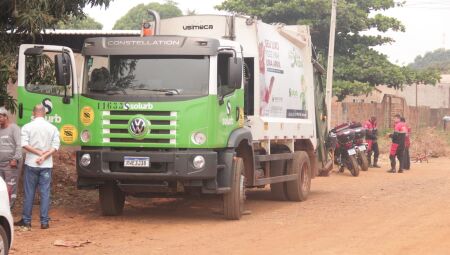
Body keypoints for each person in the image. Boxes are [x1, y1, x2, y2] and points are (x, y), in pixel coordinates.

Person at [15, 104, 60, 229]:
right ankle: (44, 222)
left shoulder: (27, 127)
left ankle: (27, 220)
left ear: (34, 113)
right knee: (45, 193)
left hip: (31, 163)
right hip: (46, 165)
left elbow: (24, 144)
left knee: (29, 192)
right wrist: (44, 156)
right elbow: (55, 146)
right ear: (45, 113)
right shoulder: (52, 128)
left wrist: (38, 153)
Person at [0, 107, 22, 208]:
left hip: (11, 164)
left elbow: (19, 144)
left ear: (6, 117)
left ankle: (9, 210)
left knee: (10, 187)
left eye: (0, 117)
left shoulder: (14, 128)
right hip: (0, 164)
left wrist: (15, 159)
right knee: (1, 188)